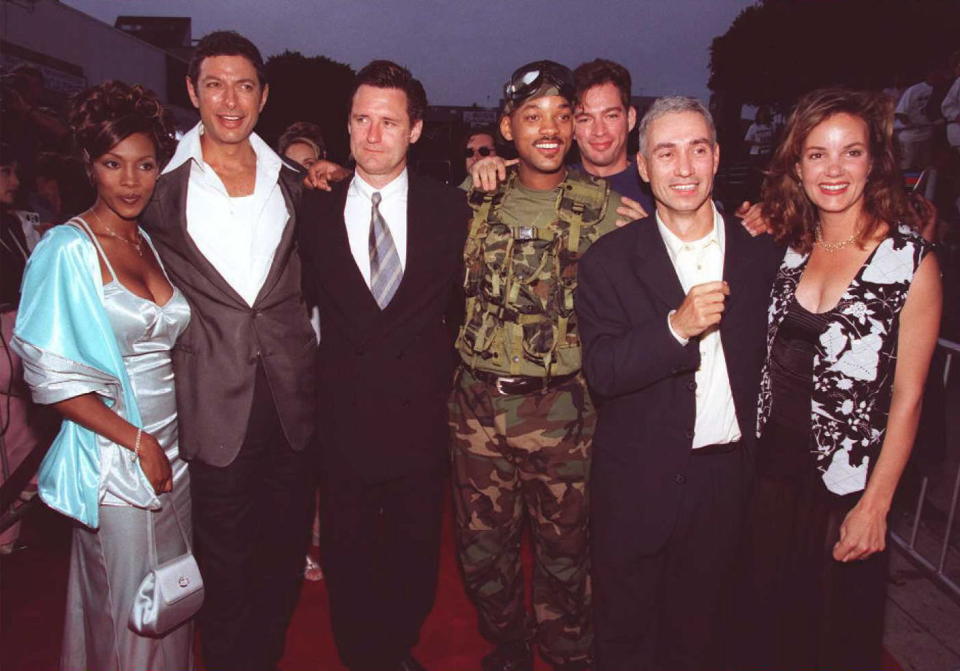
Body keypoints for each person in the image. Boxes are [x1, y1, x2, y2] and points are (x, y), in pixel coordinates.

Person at [576, 96, 782, 671]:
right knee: (625, 636)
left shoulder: (762, 251)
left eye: (697, 150)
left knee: (706, 637)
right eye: (666, 153)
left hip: (726, 480)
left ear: (717, 158)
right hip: (635, 478)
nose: (684, 168)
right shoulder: (608, 260)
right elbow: (604, 371)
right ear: (642, 167)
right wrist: (676, 328)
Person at [740, 88, 942, 670]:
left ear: (874, 161)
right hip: (769, 479)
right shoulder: (787, 247)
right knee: (766, 634)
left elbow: (909, 398)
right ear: (796, 166)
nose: (833, 170)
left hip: (846, 488)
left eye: (850, 153)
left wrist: (876, 505)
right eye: (816, 154)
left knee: (834, 641)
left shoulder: (909, 260)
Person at [138, 31, 318, 671]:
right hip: (211, 402)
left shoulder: (295, 183)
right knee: (223, 564)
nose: (230, 99)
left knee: (281, 554)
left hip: (292, 401)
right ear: (192, 91)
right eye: (214, 84)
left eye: (244, 85)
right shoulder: (158, 189)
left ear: (263, 96)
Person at [11, 80, 193, 670]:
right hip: (118, 460)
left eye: (144, 165)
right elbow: (53, 379)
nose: (131, 180)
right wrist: (137, 443)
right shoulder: (67, 248)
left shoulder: (148, 241)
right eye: (114, 164)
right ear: (89, 165)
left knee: (172, 599)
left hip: (173, 454)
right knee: (125, 611)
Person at [451, 60, 625, 671]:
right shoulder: (473, 199)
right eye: (532, 116)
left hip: (563, 414)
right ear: (507, 127)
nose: (548, 129)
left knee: (565, 554)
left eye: (561, 116)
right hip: (477, 412)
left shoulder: (606, 210)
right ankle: (510, 646)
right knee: (481, 553)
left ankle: (569, 655)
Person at [298, 59, 468, 671]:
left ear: (415, 130)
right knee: (346, 560)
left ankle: (396, 648)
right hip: (340, 426)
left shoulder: (453, 211)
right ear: (345, 126)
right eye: (361, 120)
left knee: (415, 561)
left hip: (419, 428)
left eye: (388, 122)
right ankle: (365, 658)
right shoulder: (311, 206)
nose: (373, 135)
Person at [571, 58, 653, 214]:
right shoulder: (554, 185)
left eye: (611, 116)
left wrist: (650, 235)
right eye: (585, 119)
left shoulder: (658, 187)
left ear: (630, 118)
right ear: (571, 128)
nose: (599, 131)